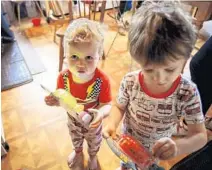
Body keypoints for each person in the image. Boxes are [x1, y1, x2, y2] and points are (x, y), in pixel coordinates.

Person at [103, 1, 207, 170]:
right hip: (126, 146)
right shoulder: (130, 82)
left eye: (170, 69)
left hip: (153, 156)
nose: (160, 78)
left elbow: (200, 136)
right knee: (126, 165)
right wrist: (112, 124)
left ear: (186, 57)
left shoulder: (187, 93)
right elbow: (119, 106)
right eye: (149, 70)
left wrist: (178, 147)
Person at [45, 18, 112, 170]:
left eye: (88, 57)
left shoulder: (101, 80)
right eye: (74, 57)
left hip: (93, 123)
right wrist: (55, 101)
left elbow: (107, 104)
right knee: (75, 138)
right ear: (65, 56)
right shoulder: (63, 78)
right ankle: (78, 152)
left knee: (95, 142)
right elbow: (62, 98)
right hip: (73, 120)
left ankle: (93, 157)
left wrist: (101, 114)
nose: (81, 64)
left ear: (99, 56)